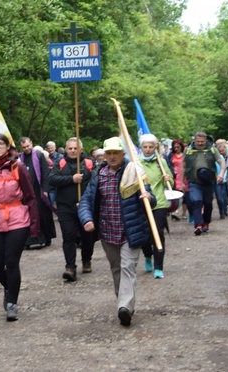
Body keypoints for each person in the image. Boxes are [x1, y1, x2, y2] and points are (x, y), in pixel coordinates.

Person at [78, 137, 154, 327]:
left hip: (131, 231)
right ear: (104, 155)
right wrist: (87, 219)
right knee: (116, 269)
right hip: (107, 231)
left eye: (115, 153)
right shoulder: (98, 175)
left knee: (128, 267)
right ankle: (124, 302)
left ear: (122, 154)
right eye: (108, 153)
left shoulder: (134, 172)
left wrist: (148, 197)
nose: (112, 157)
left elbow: (150, 199)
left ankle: (124, 307)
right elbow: (86, 200)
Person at [0, 133, 39, 322]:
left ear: (7, 145)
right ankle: (8, 286)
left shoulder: (18, 167)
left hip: (17, 219)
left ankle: (12, 303)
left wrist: (35, 226)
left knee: (11, 262)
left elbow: (30, 197)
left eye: (0, 144)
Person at [49, 137, 94, 281]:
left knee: (87, 237)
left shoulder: (89, 164)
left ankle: (86, 260)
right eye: (70, 148)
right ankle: (70, 267)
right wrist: (71, 179)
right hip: (65, 207)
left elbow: (96, 182)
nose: (73, 151)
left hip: (85, 207)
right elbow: (52, 179)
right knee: (68, 236)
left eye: (75, 148)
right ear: (66, 149)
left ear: (81, 149)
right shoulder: (60, 163)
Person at [138, 134, 174, 279]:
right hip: (142, 203)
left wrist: (168, 179)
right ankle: (148, 255)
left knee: (158, 233)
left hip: (159, 202)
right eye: (145, 147)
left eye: (150, 147)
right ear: (141, 147)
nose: (147, 150)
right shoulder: (136, 162)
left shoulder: (161, 162)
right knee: (144, 235)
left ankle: (158, 267)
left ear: (155, 147)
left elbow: (170, 183)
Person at [184, 131, 225, 235]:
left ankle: (206, 222)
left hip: (208, 182)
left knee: (207, 203)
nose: (200, 143)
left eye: (202, 141)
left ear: (206, 140)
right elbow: (182, 165)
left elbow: (221, 161)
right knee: (197, 201)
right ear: (194, 140)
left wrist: (221, 173)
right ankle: (198, 225)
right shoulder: (188, 151)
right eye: (198, 141)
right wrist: (181, 181)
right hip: (194, 181)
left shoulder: (212, 149)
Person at [19, 137, 56, 249]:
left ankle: (46, 237)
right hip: (26, 191)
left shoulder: (39, 155)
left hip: (39, 190)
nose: (27, 149)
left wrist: (45, 189)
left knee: (42, 214)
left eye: (28, 146)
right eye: (24, 147)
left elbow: (45, 173)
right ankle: (29, 240)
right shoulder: (20, 158)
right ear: (21, 147)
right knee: (28, 215)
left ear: (31, 143)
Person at [168, 139, 188, 221]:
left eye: (178, 147)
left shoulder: (185, 155)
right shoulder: (171, 155)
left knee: (184, 196)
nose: (176, 148)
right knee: (176, 194)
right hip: (175, 176)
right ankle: (176, 212)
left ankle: (183, 213)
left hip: (184, 176)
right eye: (174, 147)